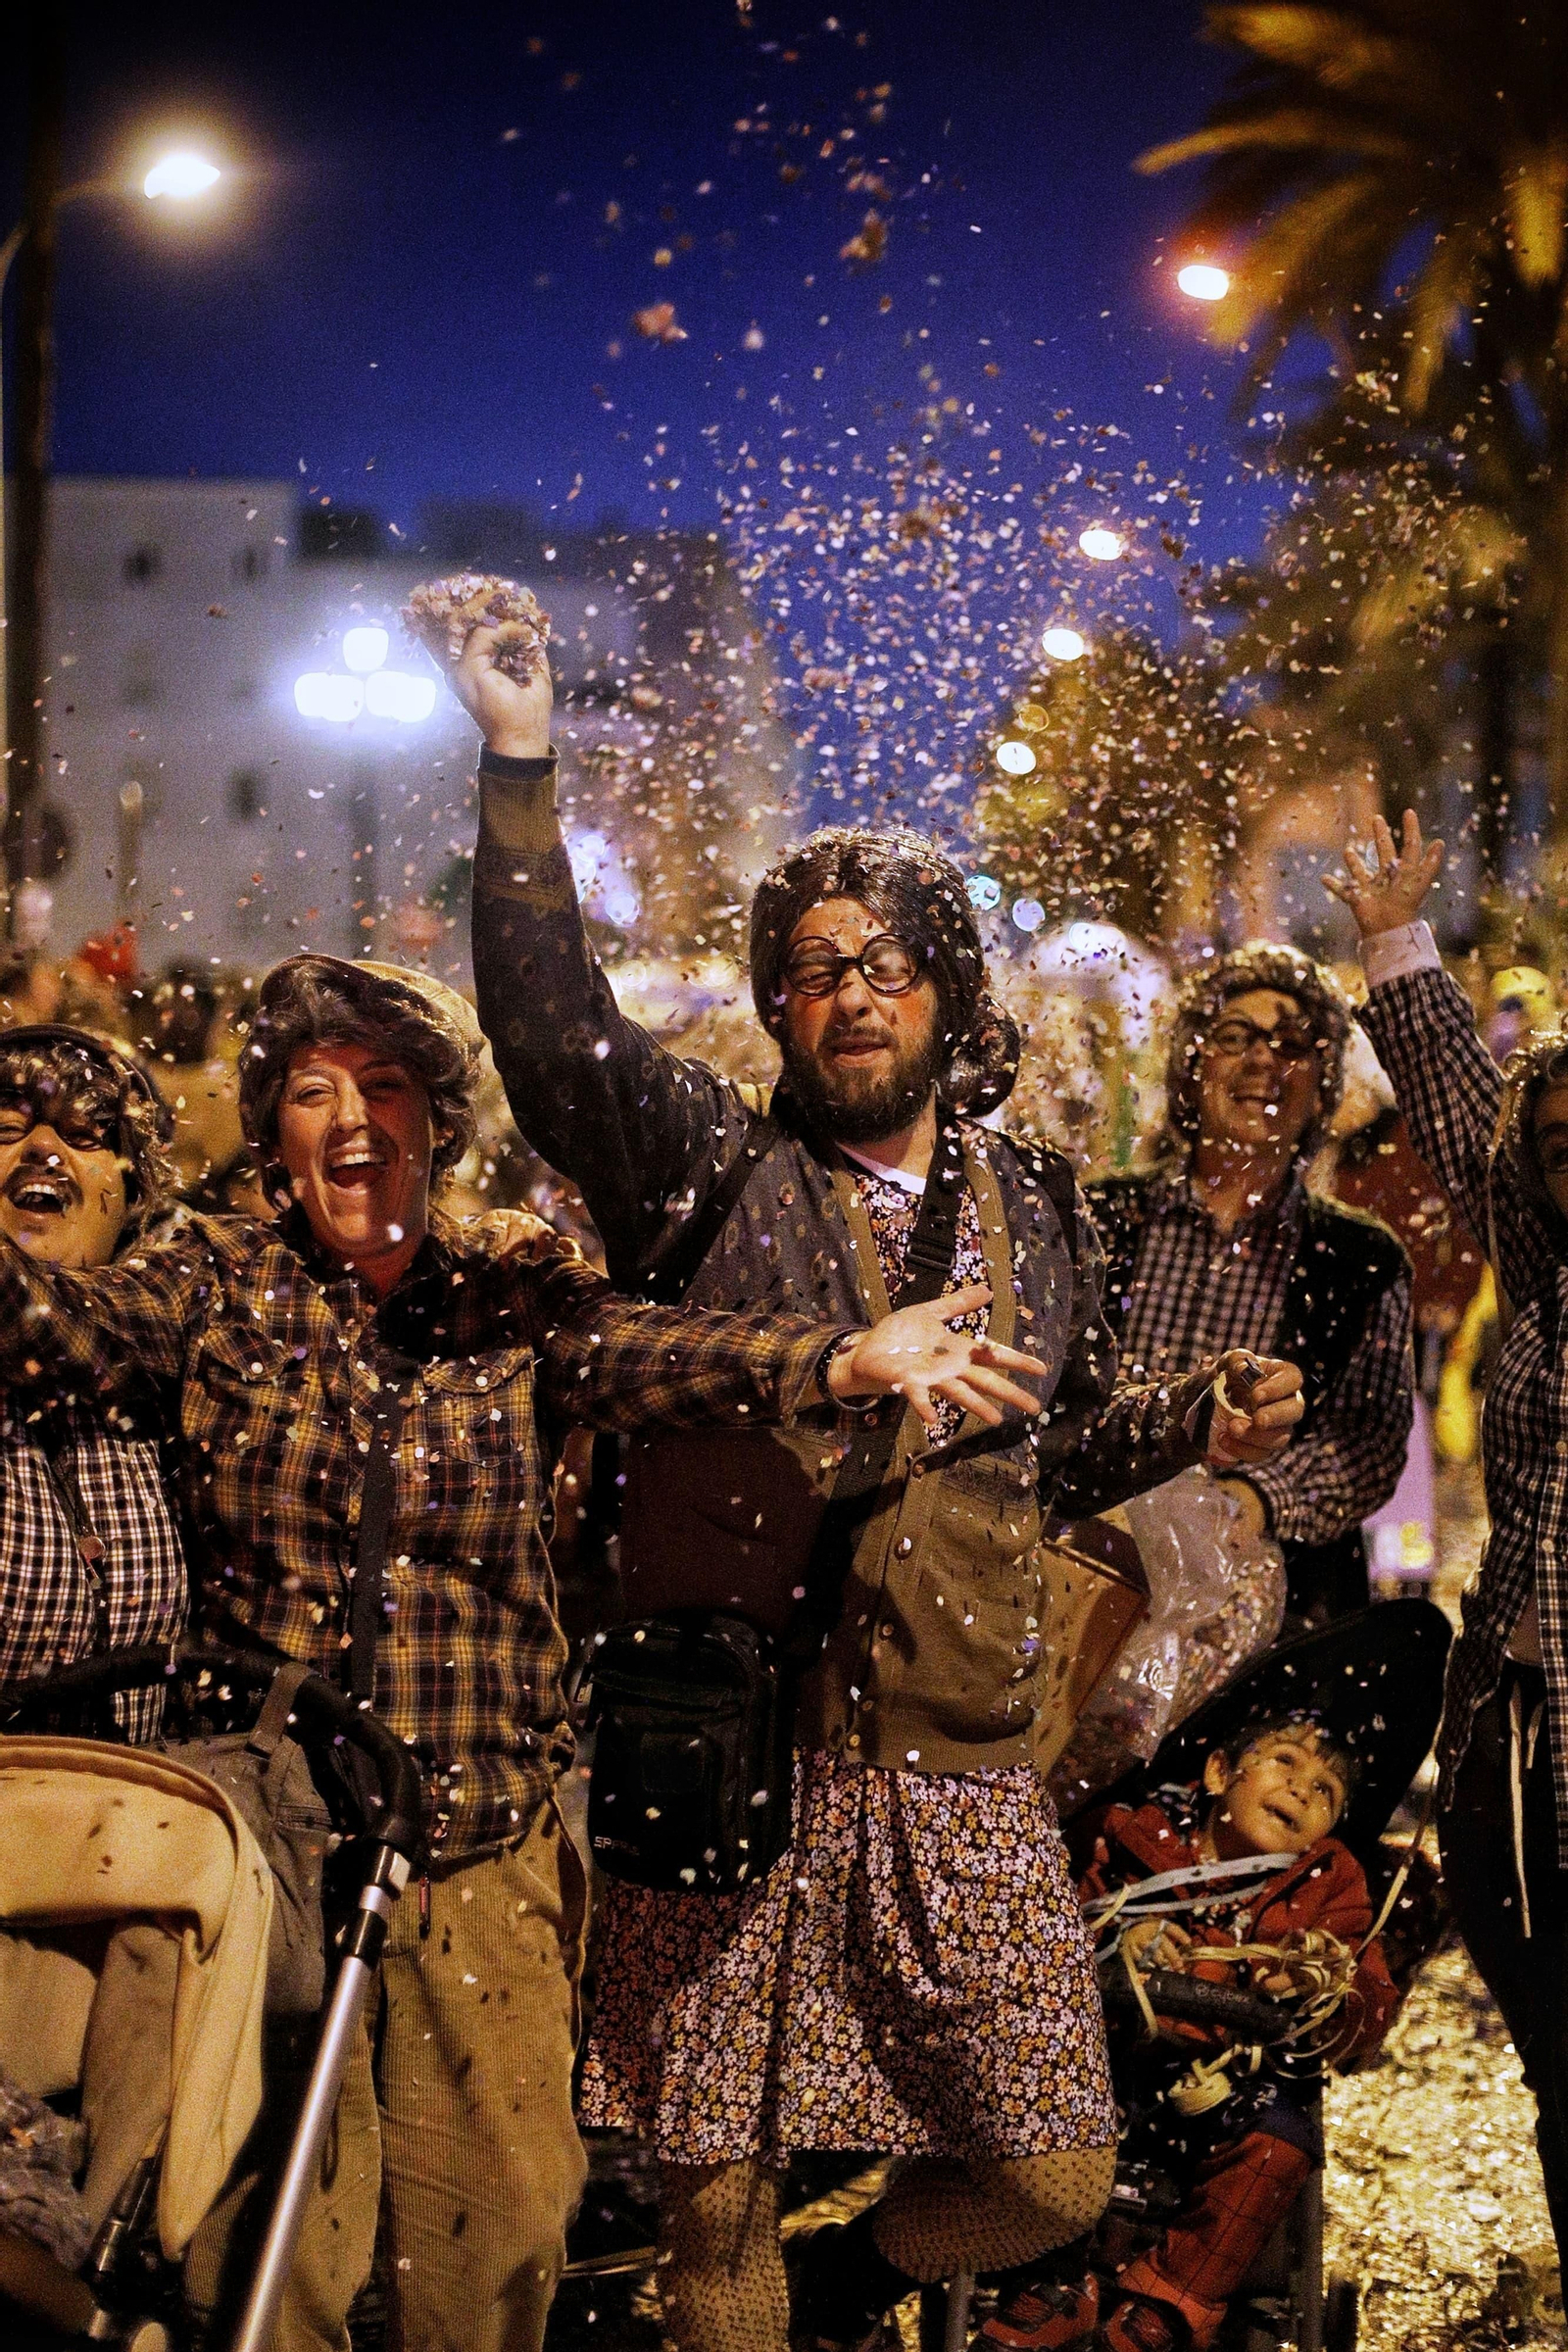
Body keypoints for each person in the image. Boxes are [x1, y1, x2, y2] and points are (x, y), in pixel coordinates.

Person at [448, 595, 1304, 2352]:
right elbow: (544, 1026)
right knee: (717, 2210)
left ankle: (834, 2296)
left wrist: (1190, 1419)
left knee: (1057, 2175)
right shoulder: (698, 1161)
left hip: (964, 1775)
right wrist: (520, 766)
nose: (856, 993)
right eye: (822, 967)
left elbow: (1047, 1450)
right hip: (735, 1750)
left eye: (891, 960)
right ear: (778, 1000)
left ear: (947, 991)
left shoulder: (1045, 1203)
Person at [0, 951, 1035, 2352]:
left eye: (387, 1087)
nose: (355, 1119)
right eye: (316, 1091)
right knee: (265, 2255)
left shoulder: (509, 1283)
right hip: (267, 1854)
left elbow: (647, 1355)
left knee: (493, 2236)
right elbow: (65, 1325)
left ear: (439, 1120)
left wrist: (839, 1360)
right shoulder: (216, 1276)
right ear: (271, 1130)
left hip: (474, 1836)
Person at [1325, 811, 1568, 2268]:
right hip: (1522, 1742)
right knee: (1556, 2055)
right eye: (1558, 1147)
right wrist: (1396, 944)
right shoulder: (1544, 1280)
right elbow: (1473, 1122)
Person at [985, 1714, 1396, 2352]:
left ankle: (1166, 2307)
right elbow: (1042, 1925)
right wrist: (1116, 1937)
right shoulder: (1127, 1837)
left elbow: (1371, 2002)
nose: (1302, 1789)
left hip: (1230, 2083)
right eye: (1285, 1761)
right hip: (1104, 2055)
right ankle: (1053, 2278)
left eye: (1326, 1793)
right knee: (1048, 2082)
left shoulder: (1330, 1887)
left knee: (1281, 2141)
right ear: (1218, 1772)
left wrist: (1330, 1988)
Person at [1089, 945, 1414, 1636]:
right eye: (1236, 1036)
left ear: (1323, 1087)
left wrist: (1252, 1504)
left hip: (1272, 1621)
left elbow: (1369, 1441)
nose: (1265, 1060)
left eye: (1294, 1044)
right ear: (1192, 1062)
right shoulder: (1095, 1219)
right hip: (1088, 1585)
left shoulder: (1361, 1259)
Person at [0, 1023, 185, 1742]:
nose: (42, 1149)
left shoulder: (171, 1363)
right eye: (7, 1127)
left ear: (133, 1193)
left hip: (128, 1832)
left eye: (85, 1137)